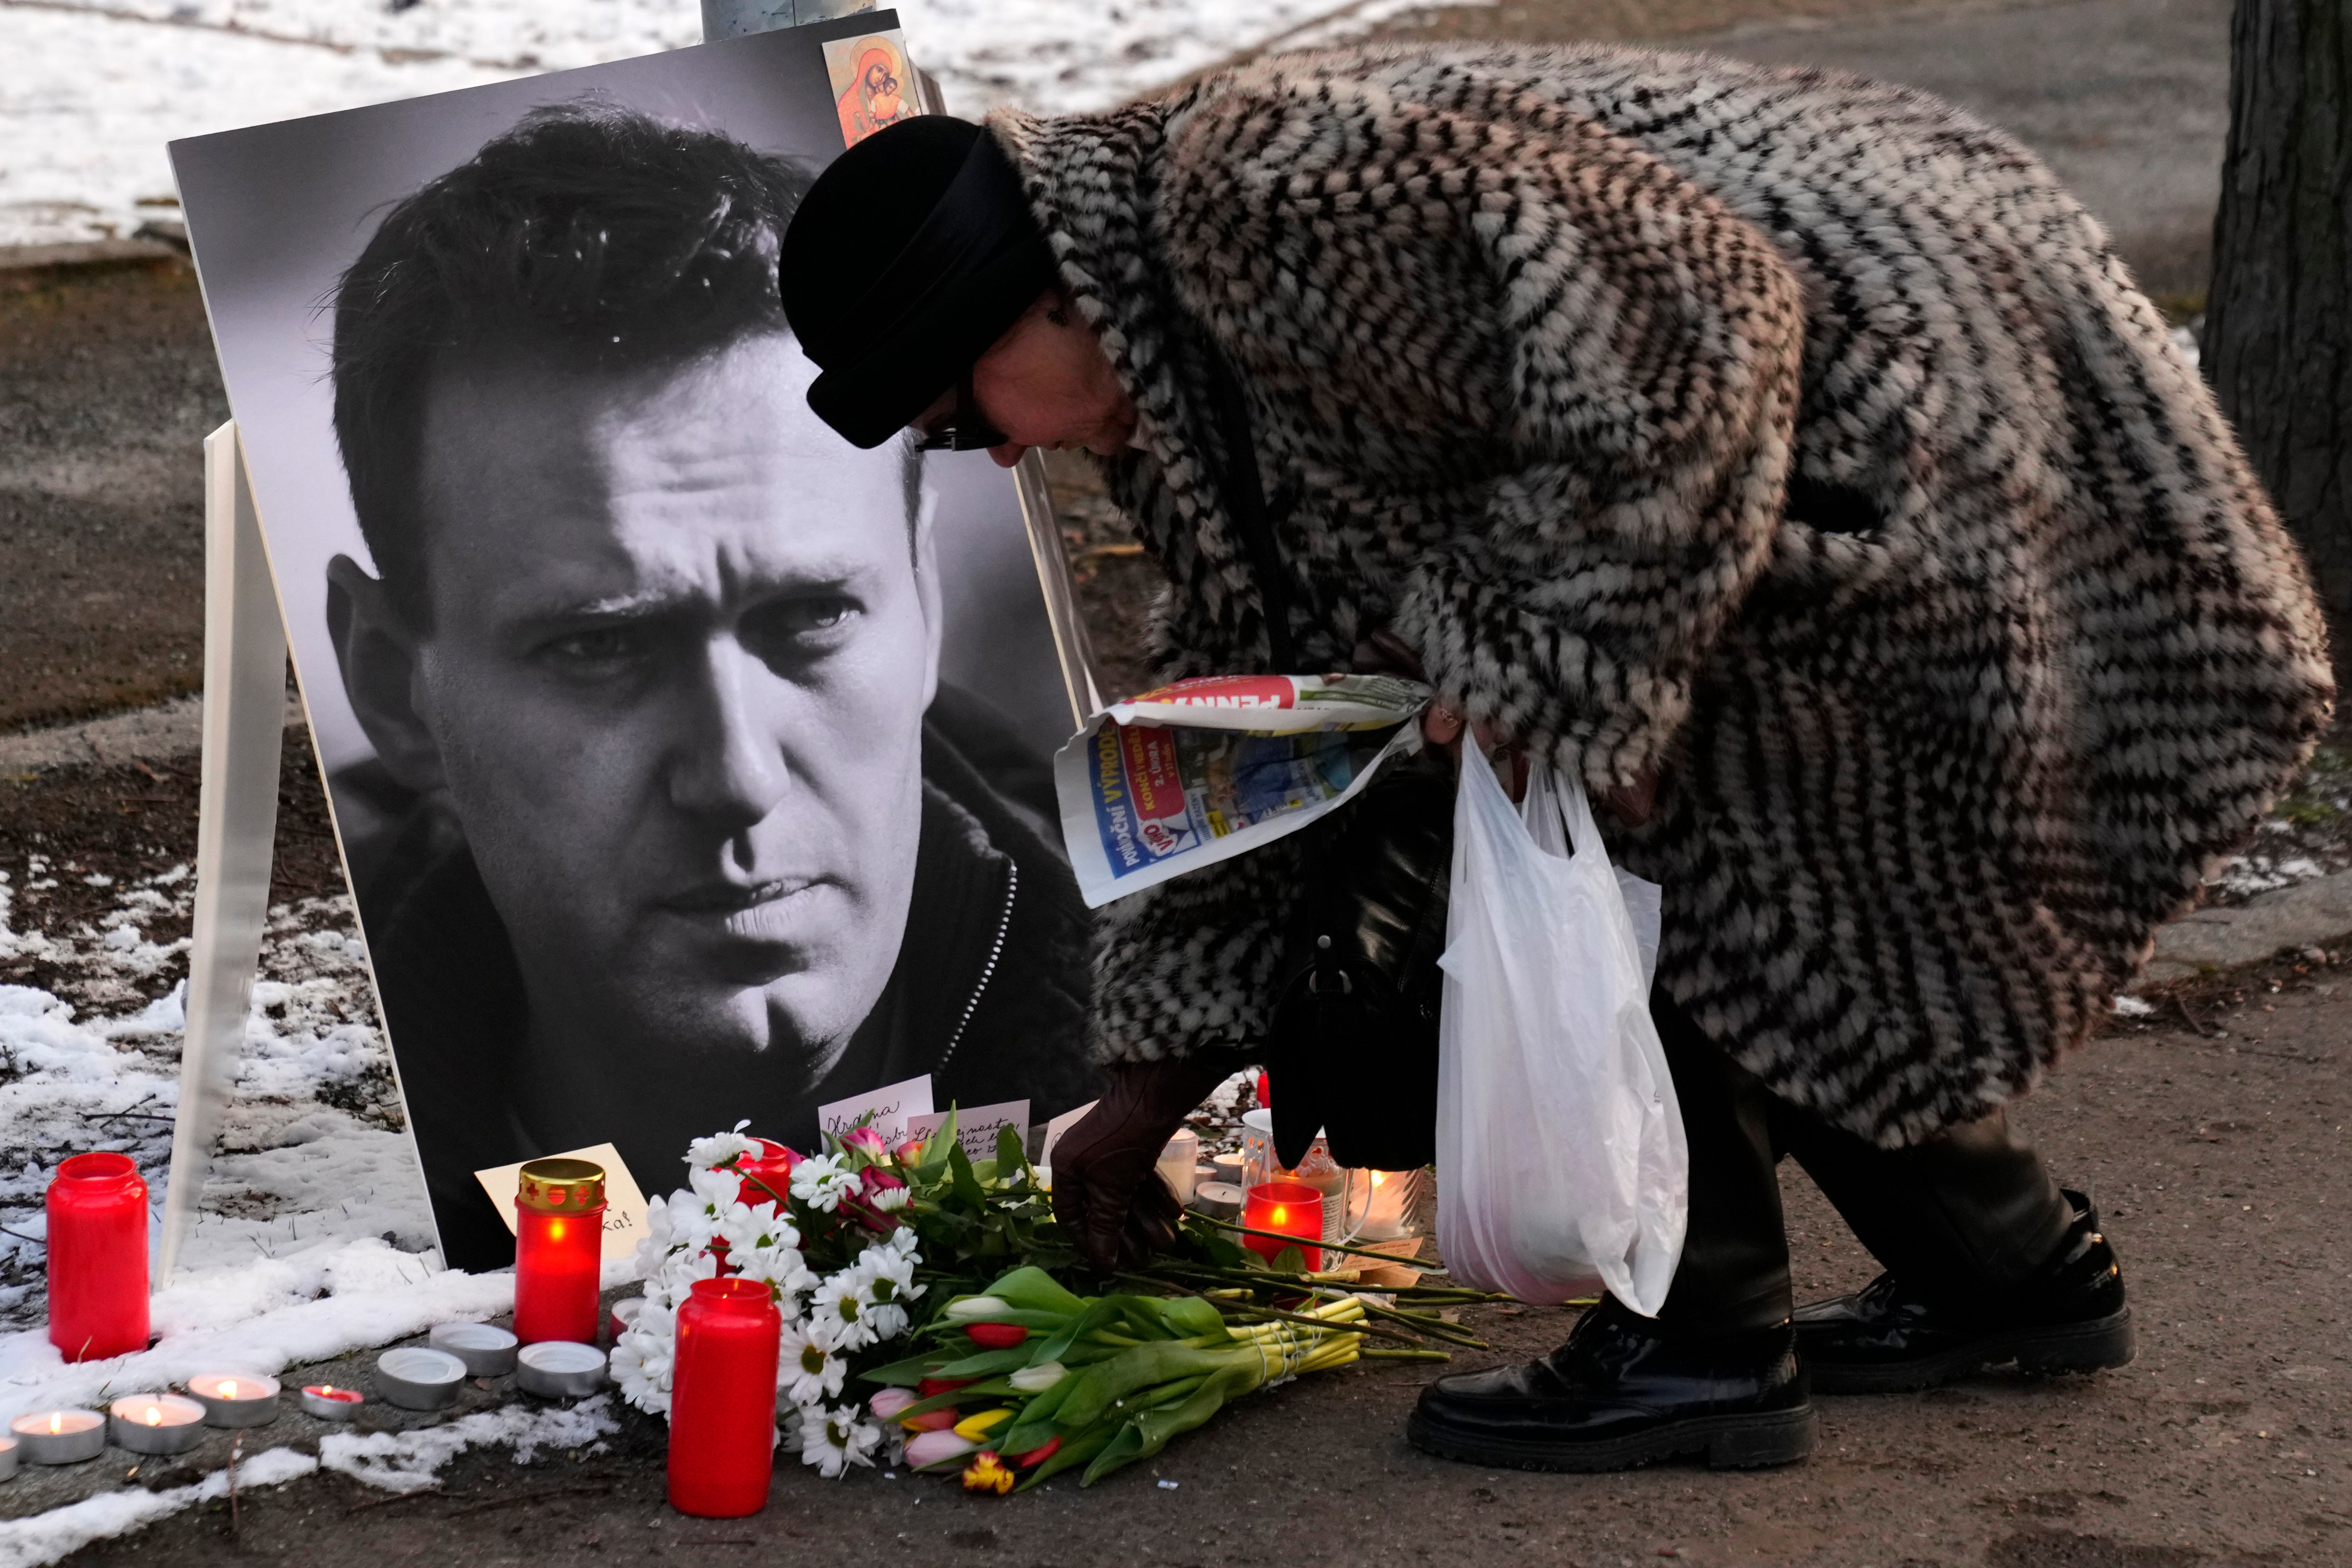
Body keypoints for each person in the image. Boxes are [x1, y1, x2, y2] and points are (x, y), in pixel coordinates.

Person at [777, 57, 2333, 1472]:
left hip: (1960, 438)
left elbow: (1709, 319)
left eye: (953, 411)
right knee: (1598, 763)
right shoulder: (1175, 365)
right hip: (1827, 453)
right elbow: (1281, 737)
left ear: (1036, 306)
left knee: (1604, 798)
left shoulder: (1265, 199)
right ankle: (2002, 1270)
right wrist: (1149, 1090)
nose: (988, 452)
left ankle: (1701, 1343)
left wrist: (1527, 664)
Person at [324, 104, 1098, 1271]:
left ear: (924, 600)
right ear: (393, 687)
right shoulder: (314, 1151)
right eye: (600, 649)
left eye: (812, 618)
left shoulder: (1194, 1059)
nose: (735, 774)